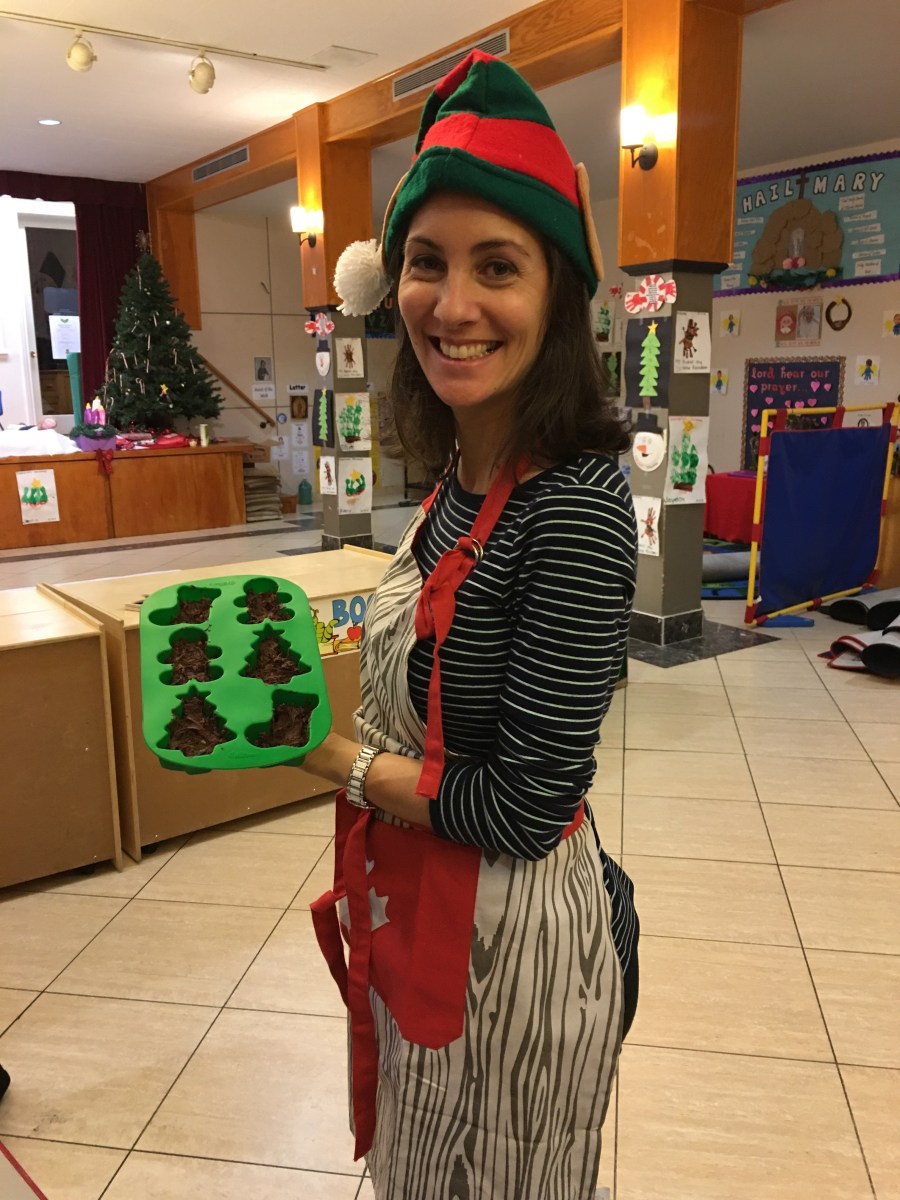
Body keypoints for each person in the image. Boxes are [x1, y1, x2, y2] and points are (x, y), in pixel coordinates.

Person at [306, 50, 637, 1200]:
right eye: (426, 262)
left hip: (513, 947)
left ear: (556, 295)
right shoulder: (455, 475)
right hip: (415, 908)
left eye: (497, 265)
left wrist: (333, 759)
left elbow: (525, 807)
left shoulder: (577, 508)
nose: (452, 306)